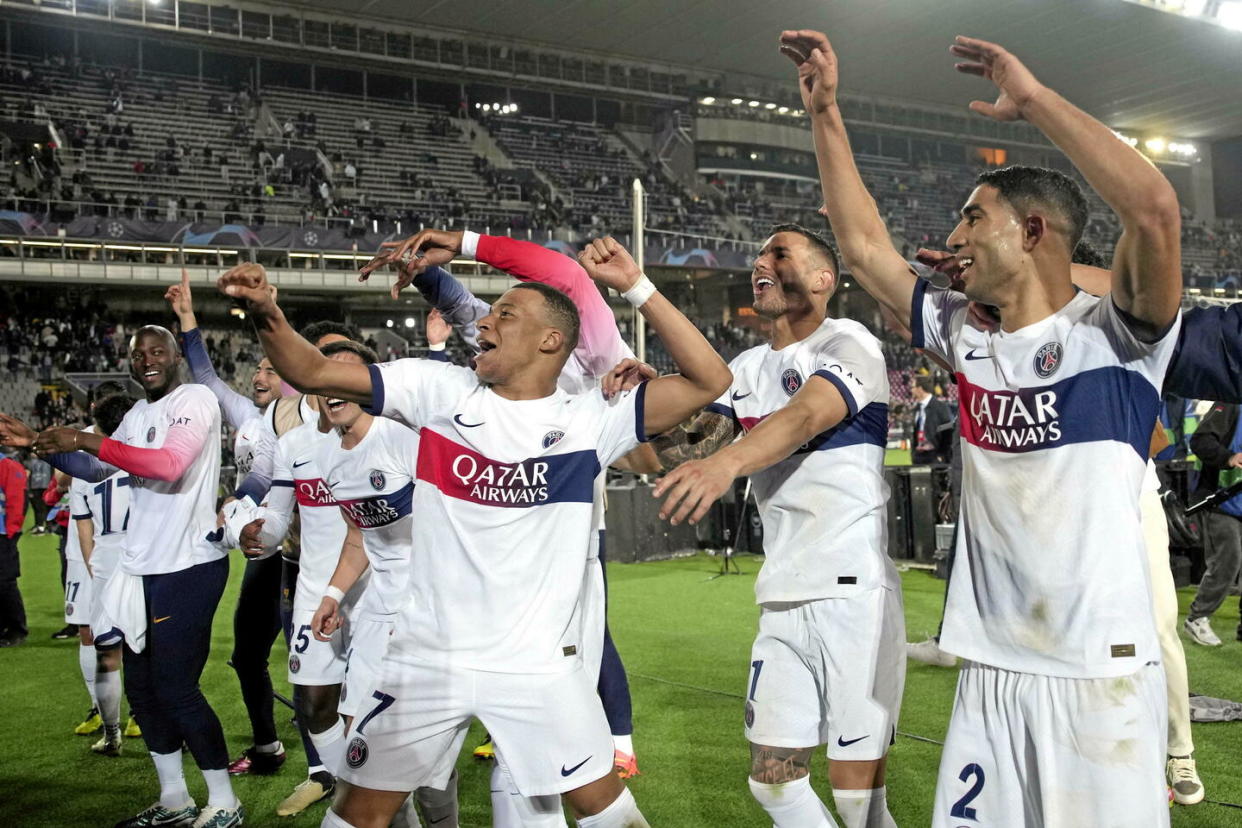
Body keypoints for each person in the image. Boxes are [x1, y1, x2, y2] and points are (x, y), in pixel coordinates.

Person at [785, 27, 1181, 826]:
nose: (954, 237)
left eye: (974, 218)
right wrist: (827, 112)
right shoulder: (968, 333)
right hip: (990, 671)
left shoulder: (1121, 330)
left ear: (1032, 232)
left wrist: (1032, 102)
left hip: (1096, 679)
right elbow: (863, 248)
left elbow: (1154, 207)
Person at [218, 235, 730, 828]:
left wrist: (636, 288)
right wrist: (266, 310)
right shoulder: (437, 391)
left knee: (608, 814)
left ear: (550, 340)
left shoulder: (590, 417)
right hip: (426, 659)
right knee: (355, 813)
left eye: (505, 314)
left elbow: (709, 378)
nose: (485, 320)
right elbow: (308, 368)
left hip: (537, 667)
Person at [363, 228, 647, 782]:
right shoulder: (501, 356)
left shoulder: (597, 344)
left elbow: (563, 277)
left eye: (513, 311)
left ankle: (610, 745)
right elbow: (467, 310)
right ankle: (524, 742)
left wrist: (465, 242)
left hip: (560, 526)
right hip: (493, 520)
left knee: (575, 648)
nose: (496, 321)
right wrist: (425, 271)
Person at [645, 224, 904, 828]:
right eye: (759, 253)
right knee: (774, 785)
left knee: (858, 802)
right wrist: (651, 404)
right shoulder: (746, 367)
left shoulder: (851, 342)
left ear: (823, 279)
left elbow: (807, 413)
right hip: (781, 597)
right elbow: (687, 449)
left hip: (853, 596)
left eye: (778, 253)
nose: (760, 262)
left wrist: (726, 463)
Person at [2, 326, 244, 828]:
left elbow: (169, 465)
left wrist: (84, 437)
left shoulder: (195, 399)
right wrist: (38, 445)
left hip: (188, 565)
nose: (147, 360)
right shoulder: (137, 413)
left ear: (176, 356)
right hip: (140, 568)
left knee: (177, 688)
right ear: (130, 363)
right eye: (138, 355)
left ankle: (225, 802)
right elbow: (97, 471)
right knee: (143, 688)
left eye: (158, 351)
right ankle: (175, 799)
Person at [74, 392, 138, 757]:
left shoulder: (85, 468)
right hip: (144, 560)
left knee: (107, 653)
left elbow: (85, 534)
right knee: (151, 655)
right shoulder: (144, 459)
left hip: (105, 561)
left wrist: (97, 571)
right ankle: (164, 729)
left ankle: (111, 734)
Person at [1183, 402, 1242, 648]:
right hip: (1223, 499)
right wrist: (1228, 458)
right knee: (1228, 561)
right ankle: (1197, 618)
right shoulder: (1230, 403)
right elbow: (1199, 441)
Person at [0, 445, 27, 647]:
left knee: (5, 582)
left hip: (3, 534)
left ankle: (17, 628)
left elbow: (16, 501)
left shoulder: (8, 465)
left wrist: (11, 531)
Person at [909, 375, 953, 465]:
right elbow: (915, 433)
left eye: (912, 387)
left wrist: (941, 455)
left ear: (920, 389)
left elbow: (948, 433)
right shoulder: (917, 409)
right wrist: (913, 453)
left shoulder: (940, 407)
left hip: (935, 457)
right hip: (918, 456)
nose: (911, 390)